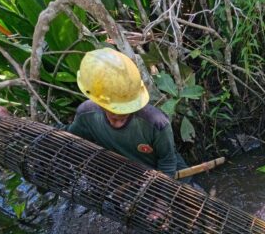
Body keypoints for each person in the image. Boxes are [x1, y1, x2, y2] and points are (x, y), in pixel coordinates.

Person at [66, 48, 188, 179]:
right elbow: (72, 142)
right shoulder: (87, 115)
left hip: (171, 175)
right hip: (129, 175)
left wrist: (161, 195)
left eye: (124, 112)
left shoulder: (156, 123)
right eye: (113, 112)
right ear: (98, 100)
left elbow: (167, 162)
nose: (118, 118)